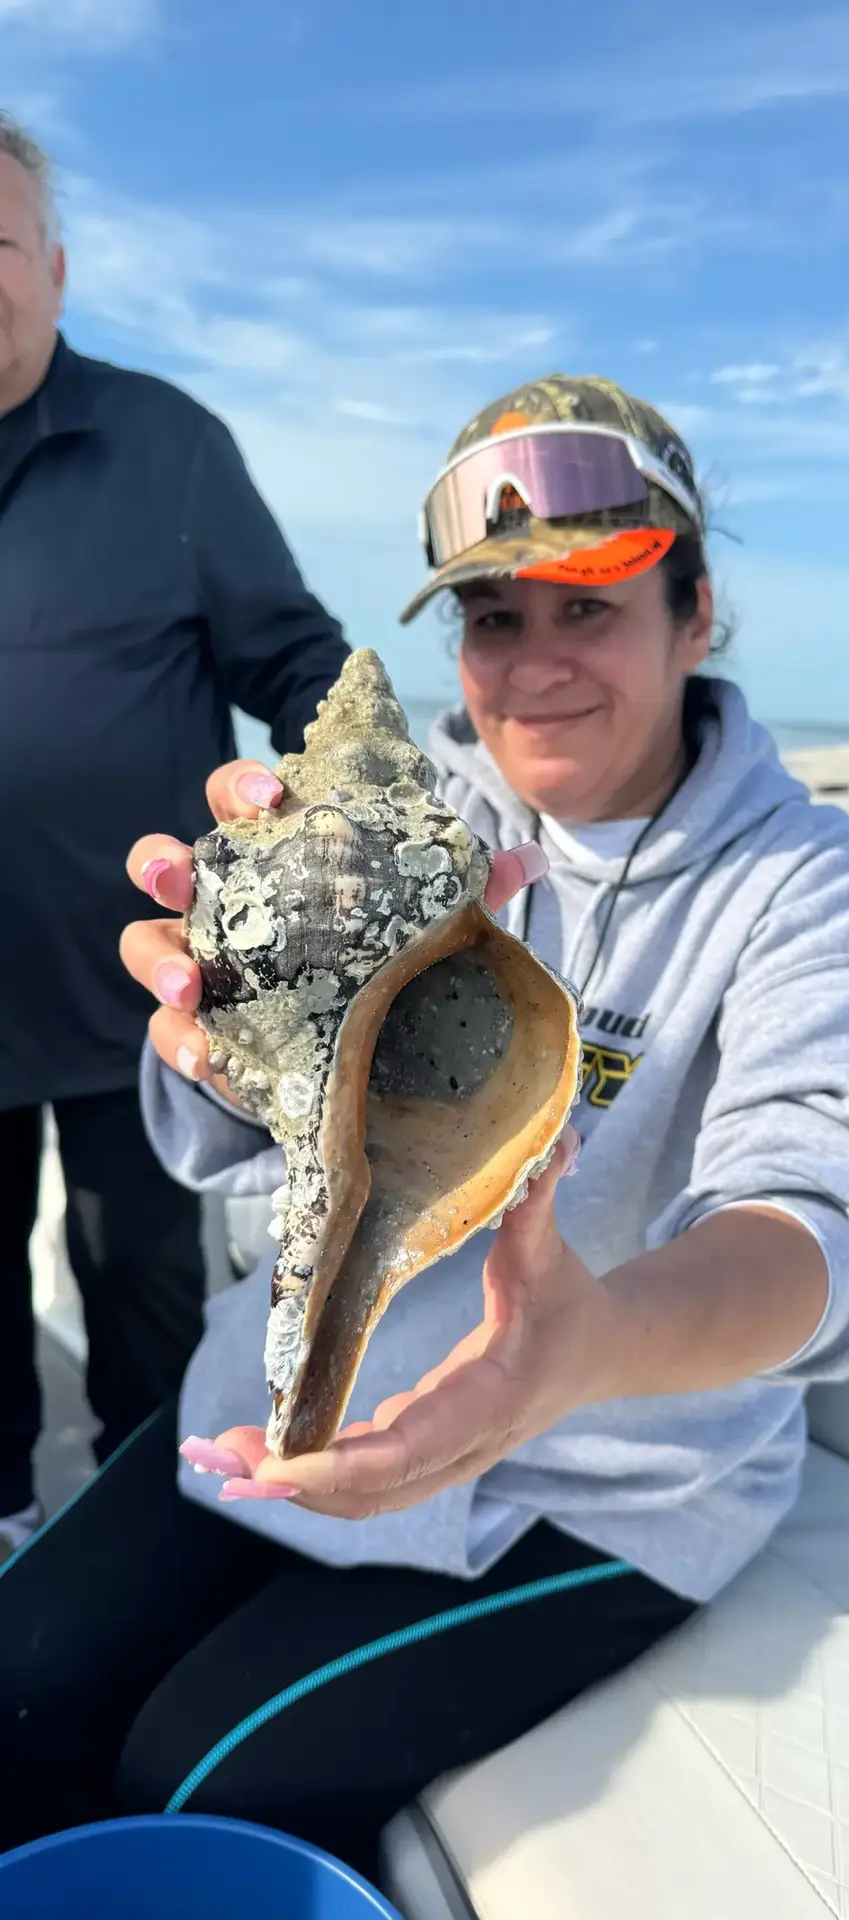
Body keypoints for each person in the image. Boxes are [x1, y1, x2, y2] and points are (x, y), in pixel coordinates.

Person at [0, 373, 849, 1881]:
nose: (536, 665)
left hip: (592, 1475)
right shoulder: (423, 831)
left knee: (191, 1783)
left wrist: (575, 1350)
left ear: (696, 617)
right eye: (495, 619)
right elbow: (250, 1141)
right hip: (294, 1390)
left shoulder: (805, 883)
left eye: (592, 607)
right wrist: (234, 1034)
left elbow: (840, 1219)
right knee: (15, 1690)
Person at [0, 113, 350, 1557]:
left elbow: (306, 674)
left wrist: (361, 846)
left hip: (149, 1005)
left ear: (57, 270)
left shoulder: (170, 450)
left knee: (149, 1281)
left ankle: (154, 1537)